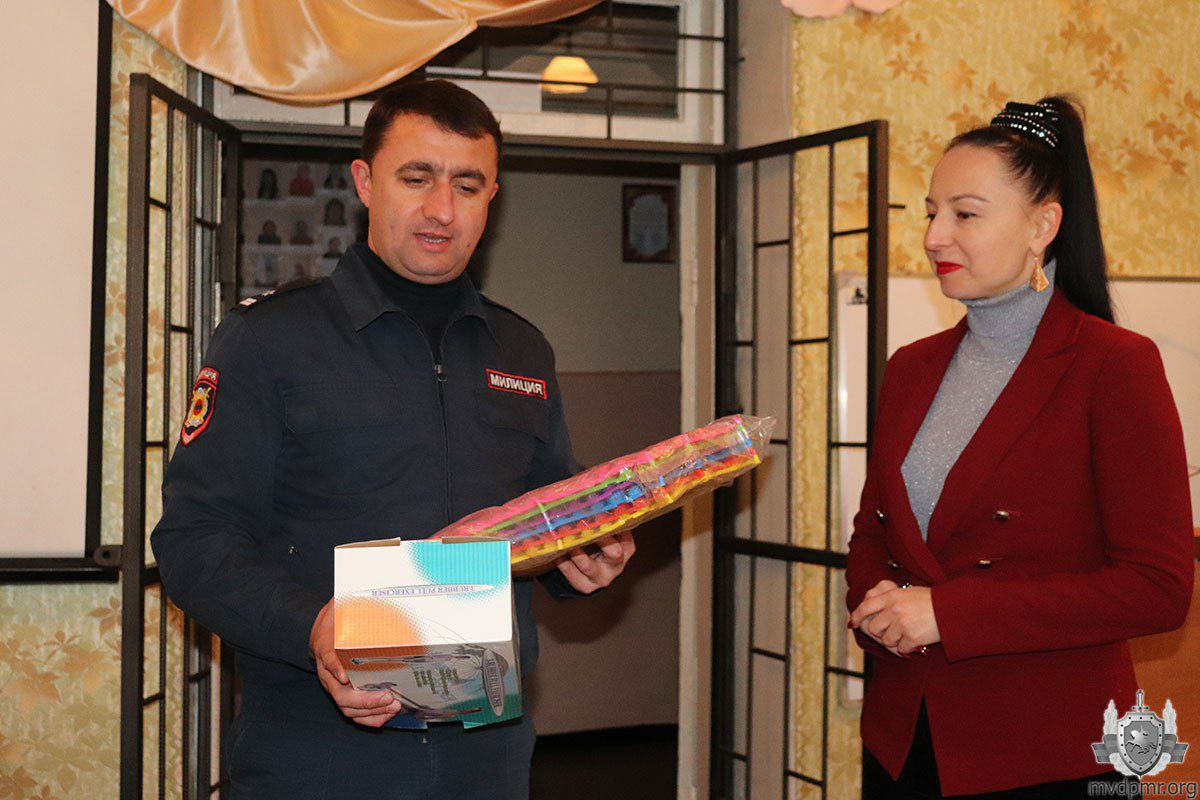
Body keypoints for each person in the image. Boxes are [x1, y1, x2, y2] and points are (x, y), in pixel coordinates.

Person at [151, 79, 636, 799]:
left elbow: (542, 514)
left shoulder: (522, 349)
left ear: (491, 198)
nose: (442, 209)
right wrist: (313, 626)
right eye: (417, 178)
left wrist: (583, 555)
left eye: (467, 185)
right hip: (319, 748)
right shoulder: (269, 339)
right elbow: (193, 540)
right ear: (364, 181)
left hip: (487, 750)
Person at [846, 96, 1193, 798]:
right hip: (903, 740)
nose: (935, 236)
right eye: (931, 213)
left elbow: (1157, 588)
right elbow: (874, 532)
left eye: (965, 214)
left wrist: (948, 615)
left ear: (1042, 226)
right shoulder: (911, 366)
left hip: (1046, 753)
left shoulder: (1113, 365)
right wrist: (879, 612)